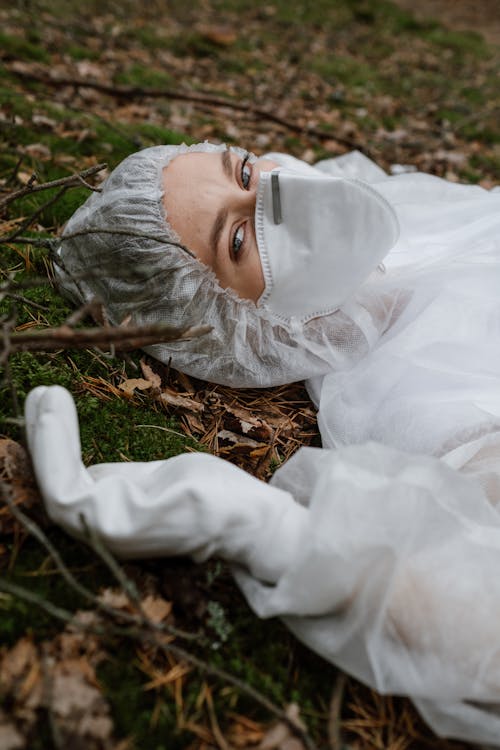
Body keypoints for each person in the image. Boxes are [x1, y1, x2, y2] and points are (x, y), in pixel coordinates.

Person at [25, 141, 500, 745]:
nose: (282, 194)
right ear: (226, 326)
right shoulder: (410, 396)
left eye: (244, 170)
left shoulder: (376, 210)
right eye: (239, 241)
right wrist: (275, 535)